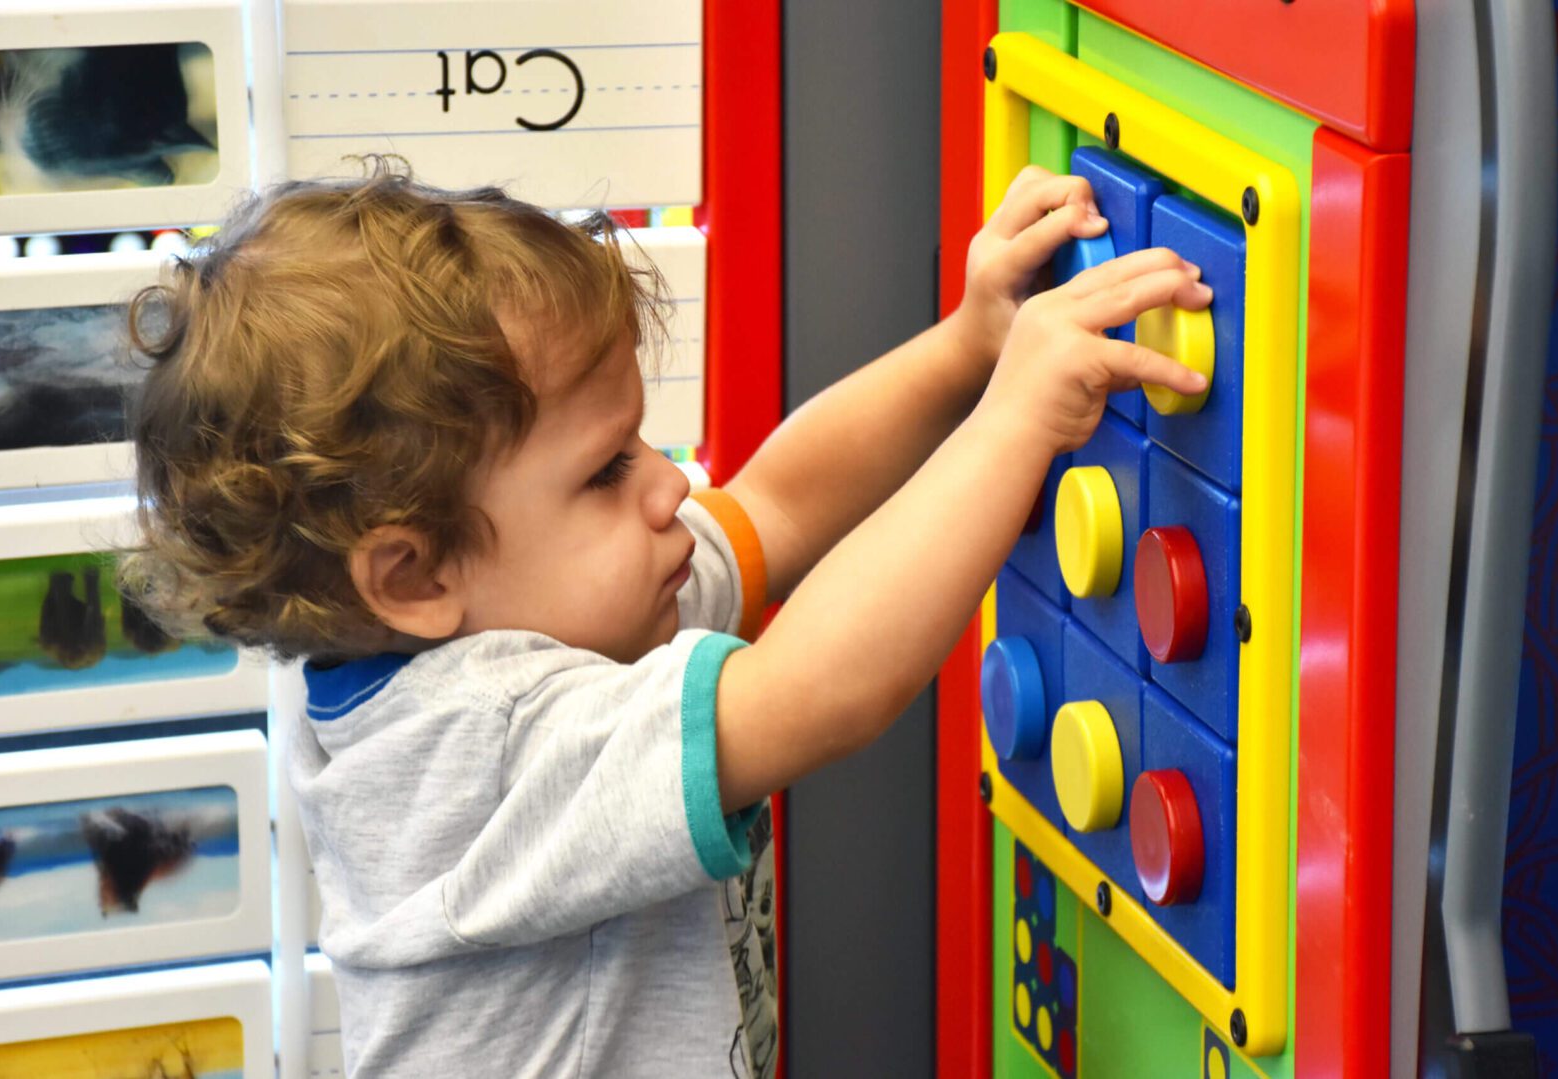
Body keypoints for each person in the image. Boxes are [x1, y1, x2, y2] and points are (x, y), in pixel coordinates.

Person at [121, 159, 1210, 1078]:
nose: (665, 487)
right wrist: (1013, 419)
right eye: (603, 470)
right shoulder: (480, 743)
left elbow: (777, 501)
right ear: (411, 577)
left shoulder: (552, 616)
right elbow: (820, 688)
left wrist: (969, 346)